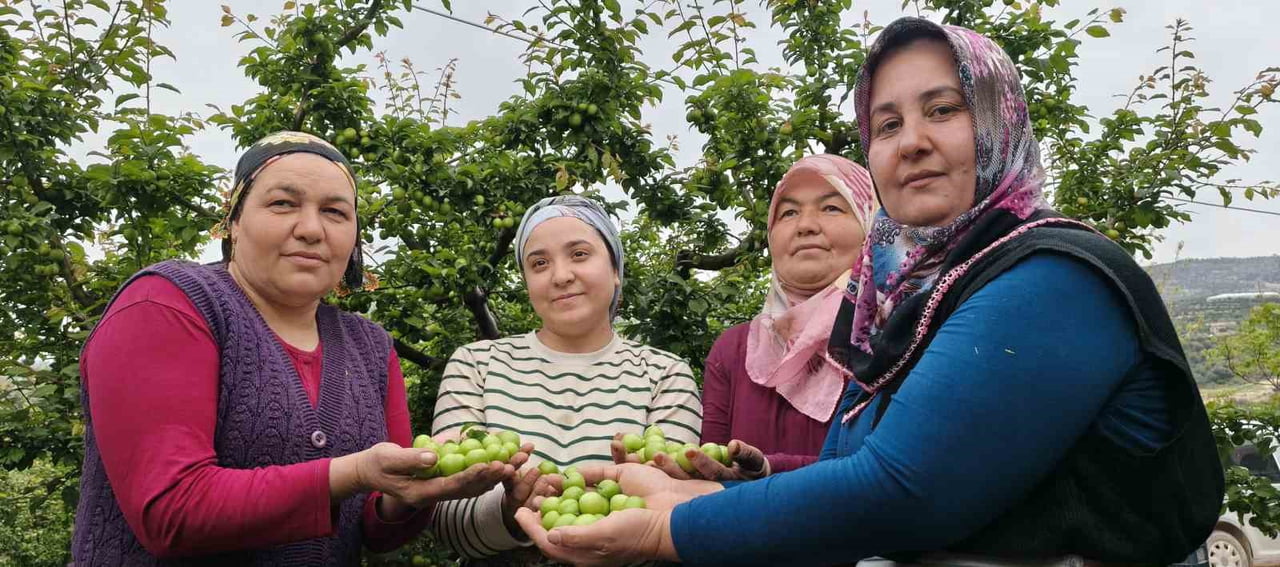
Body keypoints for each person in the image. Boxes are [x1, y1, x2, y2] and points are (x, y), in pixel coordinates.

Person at [514, 17, 1224, 566]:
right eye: (886, 124)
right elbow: (845, 470)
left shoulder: (1054, 277)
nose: (909, 141)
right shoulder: (917, 299)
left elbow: (898, 490)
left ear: (1000, 121)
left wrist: (667, 525)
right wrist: (706, 488)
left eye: (943, 110)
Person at [71, 131, 523, 565]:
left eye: (335, 212)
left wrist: (410, 495)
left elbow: (375, 532)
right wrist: (352, 473)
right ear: (233, 220)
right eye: (283, 203)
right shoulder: (168, 305)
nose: (310, 229)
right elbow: (170, 513)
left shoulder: (370, 346)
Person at [429, 195, 702, 563]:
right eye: (539, 263)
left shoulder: (665, 374)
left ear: (616, 268)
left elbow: (672, 513)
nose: (560, 276)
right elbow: (445, 519)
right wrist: (509, 513)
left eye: (579, 254)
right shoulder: (476, 364)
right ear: (526, 281)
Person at [676, 154, 877, 480]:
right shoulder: (734, 350)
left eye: (831, 208)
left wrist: (771, 470)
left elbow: (891, 473)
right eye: (789, 212)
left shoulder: (898, 335)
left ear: (870, 224)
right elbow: (710, 468)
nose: (806, 225)